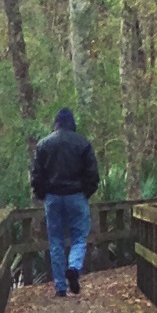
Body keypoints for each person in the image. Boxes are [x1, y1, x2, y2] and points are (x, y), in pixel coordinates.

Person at [29, 107, 100, 298]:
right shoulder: (82, 144)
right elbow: (92, 174)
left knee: (56, 241)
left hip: (53, 197)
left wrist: (43, 194)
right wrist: (86, 192)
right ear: (72, 123)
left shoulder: (43, 145)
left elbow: (36, 175)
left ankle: (60, 287)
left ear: (56, 123)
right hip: (76, 195)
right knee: (79, 238)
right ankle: (74, 267)